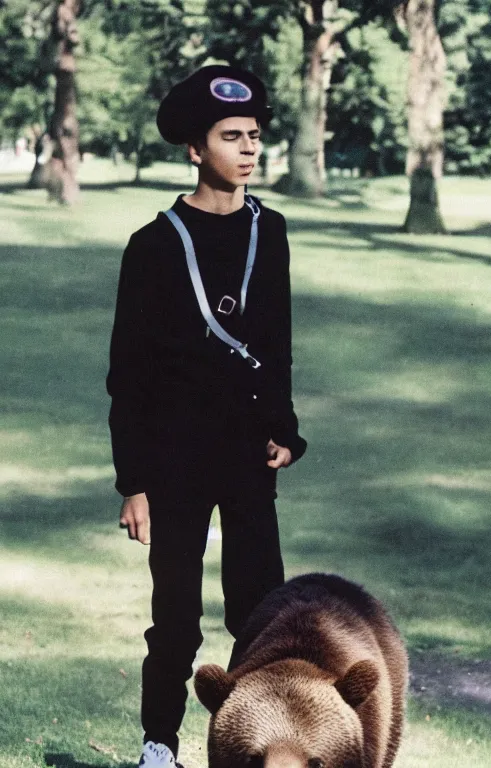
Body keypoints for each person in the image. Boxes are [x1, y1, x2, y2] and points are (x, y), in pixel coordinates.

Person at [106, 65, 307, 768]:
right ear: (196, 149)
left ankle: (261, 744)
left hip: (248, 453)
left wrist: (285, 428)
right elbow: (127, 375)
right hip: (175, 458)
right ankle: (159, 745)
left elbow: (275, 344)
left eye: (255, 135)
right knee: (177, 622)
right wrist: (135, 481)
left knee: (261, 613)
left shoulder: (270, 231)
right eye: (231, 136)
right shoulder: (155, 242)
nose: (249, 149)